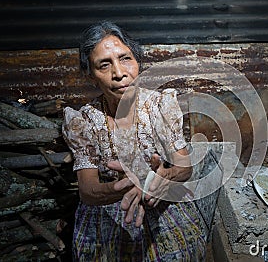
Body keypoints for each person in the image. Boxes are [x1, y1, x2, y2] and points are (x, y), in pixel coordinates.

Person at [62, 21, 207, 261]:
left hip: (161, 202)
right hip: (109, 208)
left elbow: (184, 167)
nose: (119, 73)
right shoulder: (84, 121)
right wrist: (124, 188)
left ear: (138, 62)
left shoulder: (159, 107)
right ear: (90, 75)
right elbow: (87, 191)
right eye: (104, 65)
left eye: (125, 59)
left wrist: (161, 178)